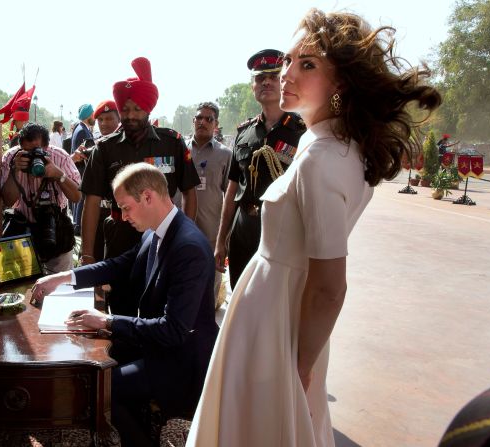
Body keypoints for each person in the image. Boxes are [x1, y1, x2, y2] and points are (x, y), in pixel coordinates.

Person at [187, 9, 441, 446]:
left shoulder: (322, 157)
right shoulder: (328, 143)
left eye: (307, 64)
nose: (287, 73)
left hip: (277, 323)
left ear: (340, 82)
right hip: (276, 314)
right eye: (288, 60)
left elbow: (329, 287)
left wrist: (299, 368)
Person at [31, 163, 218, 447]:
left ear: (148, 197)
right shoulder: (157, 230)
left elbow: (174, 330)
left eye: (126, 207)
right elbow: (119, 265)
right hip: (157, 345)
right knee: (89, 362)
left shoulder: (187, 247)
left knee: (101, 389)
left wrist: (106, 321)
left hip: (179, 362)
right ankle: (141, 425)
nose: (122, 216)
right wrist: (64, 277)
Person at [80, 56, 200, 317]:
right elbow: (90, 201)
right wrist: (87, 255)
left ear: (149, 109)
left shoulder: (172, 143)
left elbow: (189, 192)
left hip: (162, 239)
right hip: (120, 238)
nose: (131, 116)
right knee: (121, 304)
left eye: (137, 109)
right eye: (125, 109)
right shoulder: (104, 148)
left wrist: (184, 234)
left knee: (158, 309)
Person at [215, 48, 306, 289]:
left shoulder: (301, 132)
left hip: (282, 232)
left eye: (273, 76)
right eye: (259, 78)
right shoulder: (244, 133)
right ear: (253, 86)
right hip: (244, 229)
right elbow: (232, 188)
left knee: (273, 303)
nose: (265, 82)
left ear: (284, 81)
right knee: (240, 294)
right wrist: (221, 239)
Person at [0, 123, 82, 273]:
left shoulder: (60, 157)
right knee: (24, 284)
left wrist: (59, 175)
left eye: (37, 152)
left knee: (60, 284)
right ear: (20, 147)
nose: (32, 158)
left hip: (56, 229)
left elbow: (77, 196)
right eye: (27, 152)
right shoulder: (12, 157)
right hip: (23, 229)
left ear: (47, 147)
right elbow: (8, 200)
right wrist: (15, 171)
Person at [188, 102, 232, 303]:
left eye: (209, 119)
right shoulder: (180, 151)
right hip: (182, 228)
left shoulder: (225, 155)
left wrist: (225, 238)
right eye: (199, 118)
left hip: (211, 233)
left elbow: (231, 196)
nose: (202, 122)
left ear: (216, 124)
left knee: (209, 289)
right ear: (193, 121)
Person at [83, 100, 122, 262]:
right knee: (97, 262)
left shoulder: (123, 146)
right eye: (100, 120)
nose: (104, 123)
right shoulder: (97, 146)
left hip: (119, 216)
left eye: (109, 119)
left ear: (119, 119)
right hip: (99, 213)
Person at [70, 104, 96, 234]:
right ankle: (78, 226)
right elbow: (84, 153)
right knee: (80, 199)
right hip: (81, 170)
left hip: (79, 170)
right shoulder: (82, 130)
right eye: (93, 114)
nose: (94, 117)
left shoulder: (80, 128)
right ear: (88, 115)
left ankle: (76, 224)